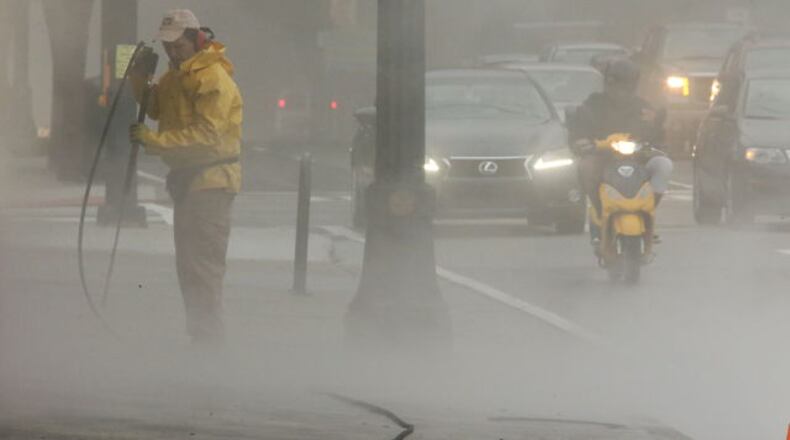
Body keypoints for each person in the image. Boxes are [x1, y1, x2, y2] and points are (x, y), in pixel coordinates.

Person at [129, 9, 243, 346]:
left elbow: (207, 134)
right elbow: (156, 107)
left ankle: (209, 343)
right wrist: (138, 77)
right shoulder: (176, 76)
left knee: (202, 268)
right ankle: (202, 337)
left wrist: (155, 141)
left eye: (178, 46)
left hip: (210, 181)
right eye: (167, 47)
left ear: (196, 39)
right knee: (190, 267)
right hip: (189, 181)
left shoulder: (212, 78)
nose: (171, 53)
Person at [569, 58, 673, 245]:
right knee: (585, 167)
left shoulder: (644, 108)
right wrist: (580, 141)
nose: (619, 90)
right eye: (615, 84)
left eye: (626, 85)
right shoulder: (592, 104)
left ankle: (647, 212)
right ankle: (599, 210)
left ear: (633, 85)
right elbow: (579, 128)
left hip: (638, 159)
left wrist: (658, 138)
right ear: (608, 83)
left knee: (663, 165)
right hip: (602, 159)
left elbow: (656, 133)